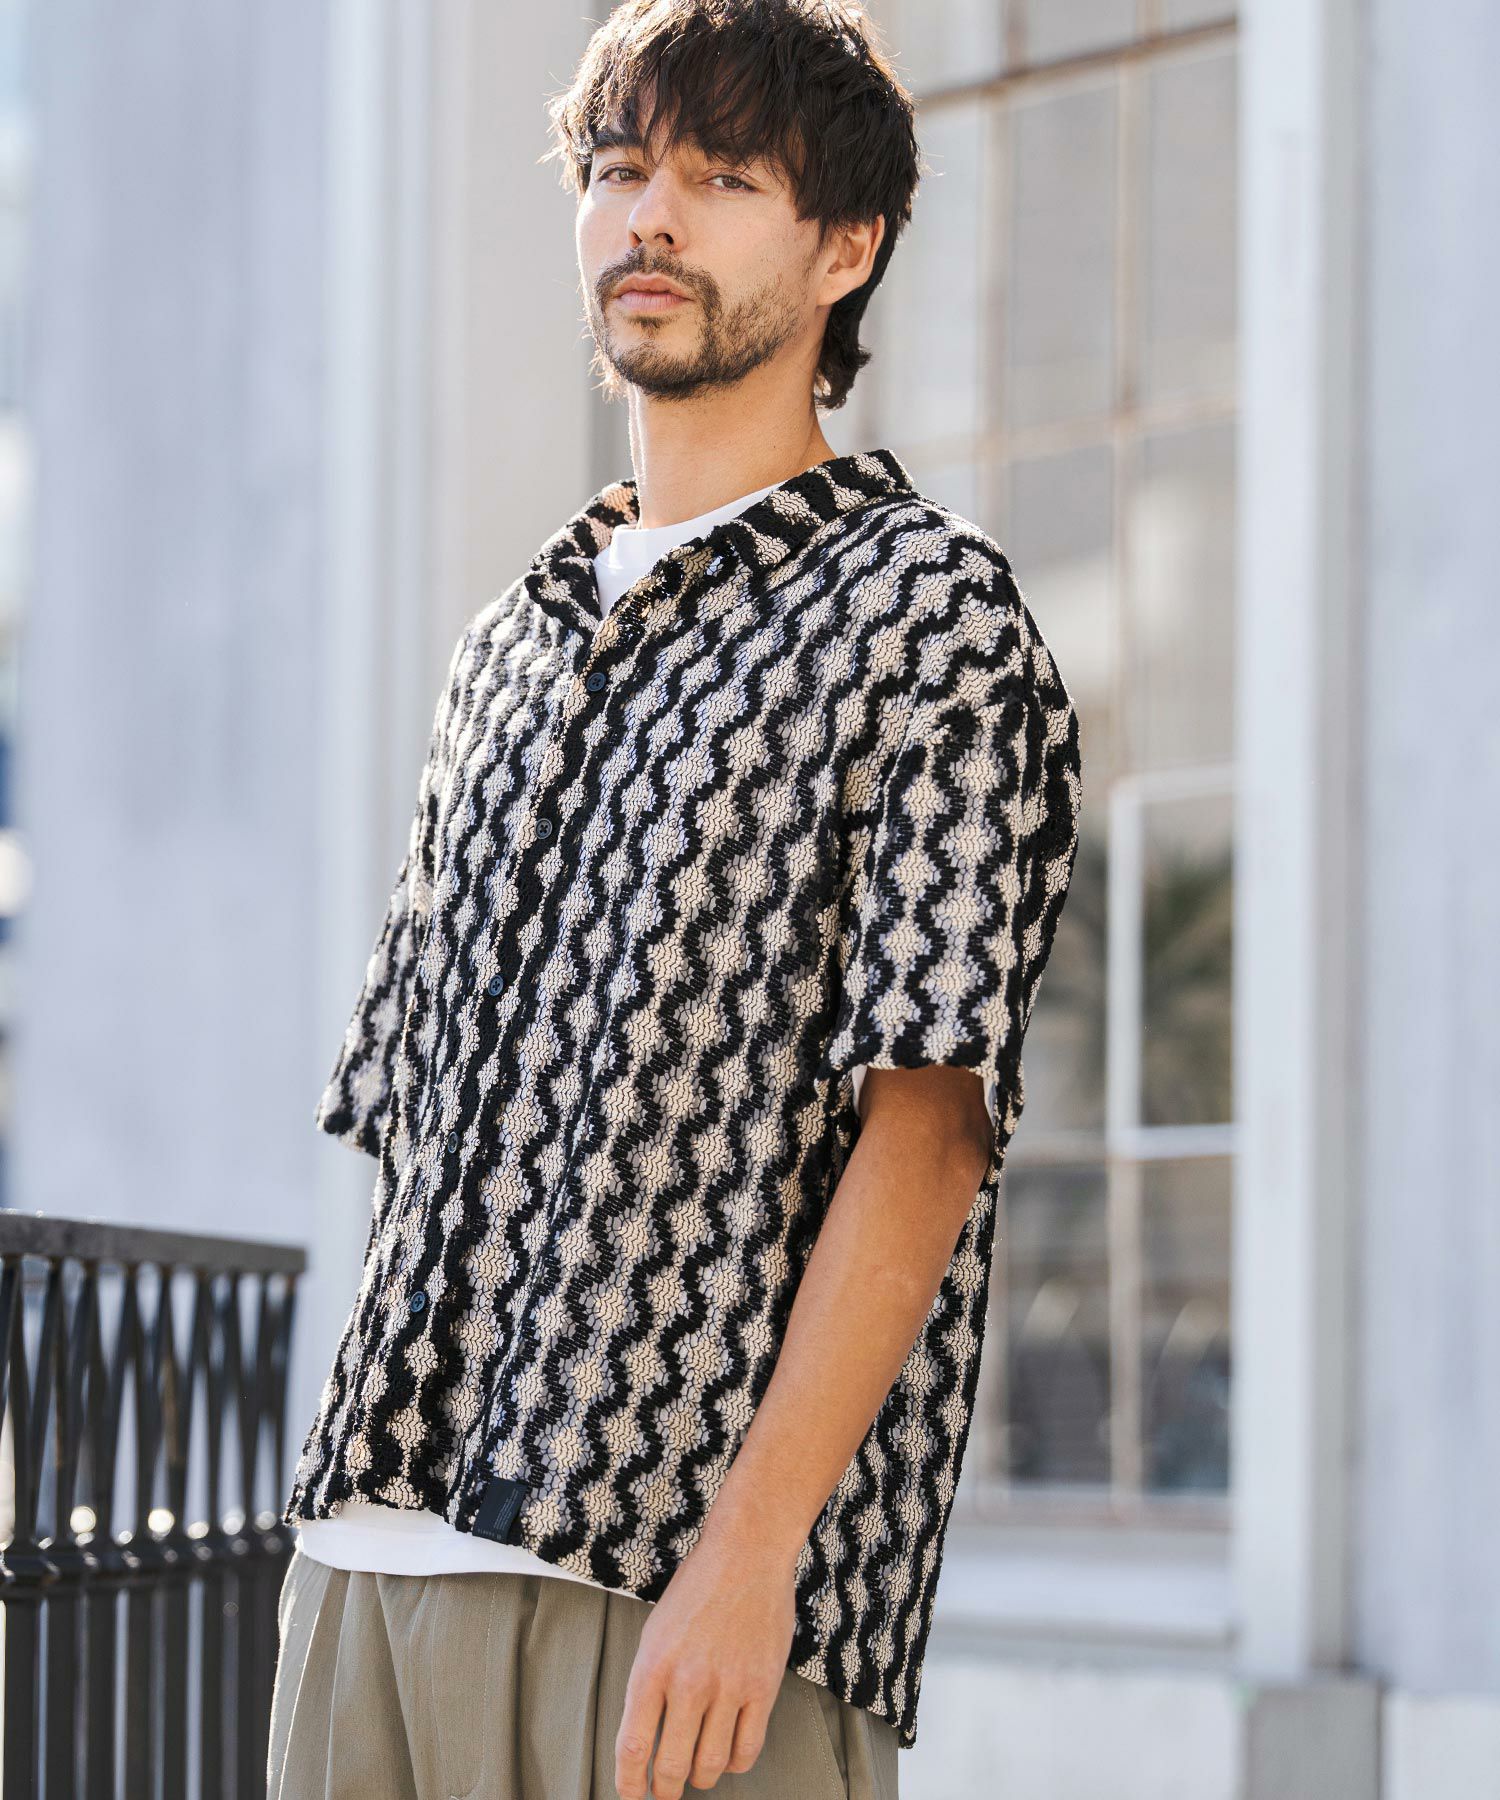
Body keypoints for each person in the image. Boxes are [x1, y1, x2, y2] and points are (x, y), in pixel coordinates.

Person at [268, 2, 1084, 1796]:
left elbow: (931, 1126)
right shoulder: (507, 641)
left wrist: (753, 1551)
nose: (650, 216)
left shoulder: (929, 619)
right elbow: (411, 1120)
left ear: (846, 246)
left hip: (675, 1608)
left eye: (722, 180)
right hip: (368, 1573)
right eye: (622, 169)